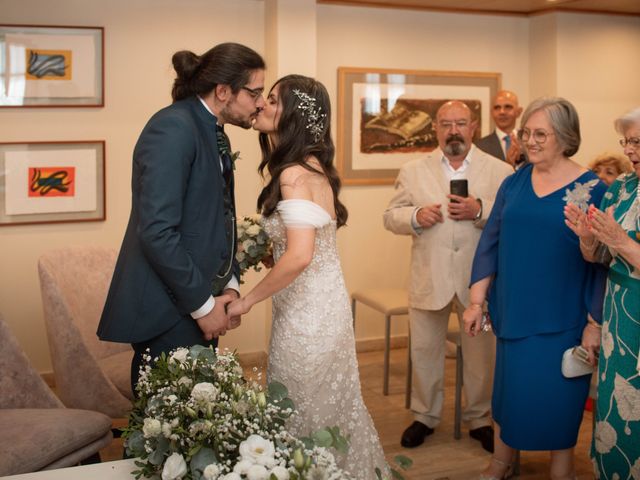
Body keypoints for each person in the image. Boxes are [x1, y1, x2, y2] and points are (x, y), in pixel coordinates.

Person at [225, 75, 388, 479]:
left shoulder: (293, 175)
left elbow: (299, 257)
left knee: (301, 411)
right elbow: (296, 249)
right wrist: (267, 251)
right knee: (320, 409)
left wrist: (245, 300)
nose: (261, 104)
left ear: (294, 116)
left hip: (308, 319)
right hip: (318, 307)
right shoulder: (310, 166)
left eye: (274, 100)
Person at [97, 43, 266, 391]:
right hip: (169, 309)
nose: (260, 102)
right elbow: (157, 231)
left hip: (200, 299)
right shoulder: (173, 128)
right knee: (161, 437)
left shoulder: (209, 128)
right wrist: (204, 307)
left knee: (192, 432)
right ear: (223, 91)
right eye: (255, 92)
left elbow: (219, 218)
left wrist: (229, 285)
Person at [464, 97, 607, 480]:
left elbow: (603, 265)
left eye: (540, 133)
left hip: (563, 315)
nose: (530, 140)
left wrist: (594, 323)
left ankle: (562, 469)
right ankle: (501, 462)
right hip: (513, 309)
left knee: (560, 398)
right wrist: (476, 301)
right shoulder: (514, 183)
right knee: (509, 395)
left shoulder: (594, 187)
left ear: (565, 137)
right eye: (527, 133)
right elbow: (489, 243)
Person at [383, 100, 513, 452]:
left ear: (473, 127)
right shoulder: (413, 169)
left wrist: (479, 209)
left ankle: (480, 418)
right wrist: (414, 216)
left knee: (481, 355)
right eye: (445, 124)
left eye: (460, 123)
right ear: (436, 129)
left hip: (479, 282)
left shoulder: (500, 171)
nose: (453, 130)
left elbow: (510, 222)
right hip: (429, 277)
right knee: (424, 351)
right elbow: (390, 215)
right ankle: (425, 416)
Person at [564, 107, 640, 479]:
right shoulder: (623, 187)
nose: (630, 151)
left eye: (637, 142)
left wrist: (623, 242)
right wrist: (588, 239)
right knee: (614, 404)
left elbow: (621, 245)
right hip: (619, 319)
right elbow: (597, 257)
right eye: (626, 142)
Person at [475, 90, 524, 168]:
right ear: (491, 113)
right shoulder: (479, 147)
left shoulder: (528, 143)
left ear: (518, 112)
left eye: (508, 107)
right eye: (497, 108)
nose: (502, 112)